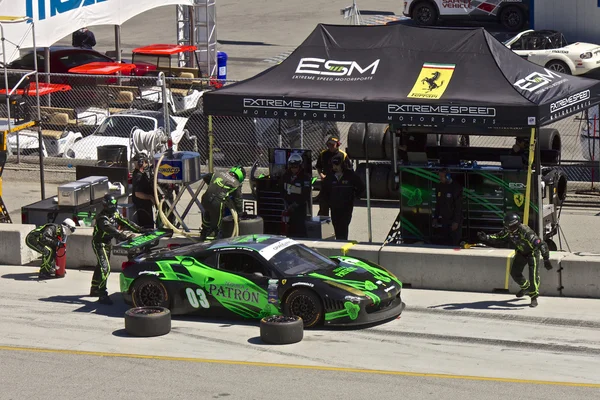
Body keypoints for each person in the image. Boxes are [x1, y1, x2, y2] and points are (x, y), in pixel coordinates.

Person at [477, 213, 552, 308]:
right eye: (508, 227)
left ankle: (534, 297)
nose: (510, 229)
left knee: (533, 275)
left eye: (511, 227)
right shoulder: (508, 231)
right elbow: (499, 237)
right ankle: (526, 287)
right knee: (514, 272)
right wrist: (486, 237)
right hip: (521, 252)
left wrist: (546, 258)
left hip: (532, 252)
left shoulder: (526, 231)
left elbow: (541, 244)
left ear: (516, 224)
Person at [91, 194, 144, 304]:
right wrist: (123, 236)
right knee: (105, 268)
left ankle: (94, 288)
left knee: (100, 266)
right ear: (106, 206)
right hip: (99, 244)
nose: (113, 207)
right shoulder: (102, 218)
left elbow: (126, 222)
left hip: (107, 243)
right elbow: (111, 230)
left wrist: (141, 230)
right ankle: (102, 294)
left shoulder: (114, 214)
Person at [319, 153, 365, 240]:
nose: (335, 167)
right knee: (336, 225)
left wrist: (354, 195)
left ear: (342, 164)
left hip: (346, 206)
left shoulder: (350, 175)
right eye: (333, 164)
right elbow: (324, 191)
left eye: (337, 164)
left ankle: (343, 241)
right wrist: (328, 202)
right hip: (334, 206)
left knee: (344, 226)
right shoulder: (330, 176)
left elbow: (361, 187)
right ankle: (338, 241)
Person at [200, 166, 245, 241]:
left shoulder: (218, 173)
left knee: (207, 216)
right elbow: (238, 200)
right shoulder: (236, 184)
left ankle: (203, 234)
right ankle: (209, 243)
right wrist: (240, 214)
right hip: (217, 204)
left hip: (205, 199)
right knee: (215, 225)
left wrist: (213, 186)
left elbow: (206, 177)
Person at [315, 136, 352, 216]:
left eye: (332, 145)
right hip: (326, 184)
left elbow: (349, 171)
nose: (330, 147)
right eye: (329, 145)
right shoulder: (323, 154)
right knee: (323, 208)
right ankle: (323, 225)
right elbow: (318, 166)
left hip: (337, 186)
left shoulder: (343, 155)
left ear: (337, 145)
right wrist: (321, 175)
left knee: (337, 210)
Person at [280, 153, 311, 238]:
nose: (294, 169)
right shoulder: (286, 176)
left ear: (300, 166)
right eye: (292, 166)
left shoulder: (305, 177)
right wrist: (286, 203)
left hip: (300, 208)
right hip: (288, 206)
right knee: (289, 229)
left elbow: (306, 194)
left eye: (296, 167)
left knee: (300, 229)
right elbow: (282, 190)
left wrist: (296, 204)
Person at [432, 168, 463, 246]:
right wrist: (435, 218)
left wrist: (456, 221)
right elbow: (438, 204)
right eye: (439, 176)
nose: (440, 178)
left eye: (442, 176)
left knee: (455, 243)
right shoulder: (439, 187)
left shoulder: (456, 188)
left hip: (454, 220)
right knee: (445, 242)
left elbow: (458, 207)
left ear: (448, 177)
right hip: (445, 219)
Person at [131, 152, 156, 229]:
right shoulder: (138, 176)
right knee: (147, 226)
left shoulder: (142, 173)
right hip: (142, 206)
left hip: (145, 205)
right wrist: (151, 197)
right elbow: (138, 193)